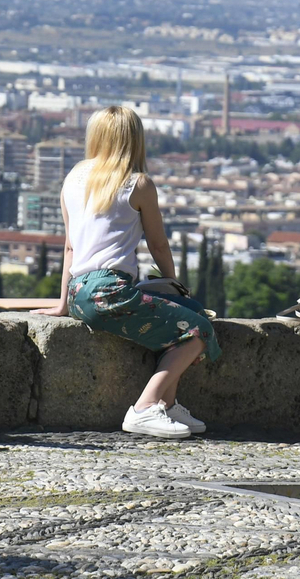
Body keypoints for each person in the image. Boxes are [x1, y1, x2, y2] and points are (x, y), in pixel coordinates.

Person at [44, 106, 219, 440]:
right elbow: (158, 244)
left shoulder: (73, 178)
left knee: (189, 313)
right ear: (135, 139)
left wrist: (63, 303)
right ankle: (144, 408)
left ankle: (168, 404)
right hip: (111, 291)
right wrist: (174, 285)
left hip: (81, 292)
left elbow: (70, 247)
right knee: (198, 329)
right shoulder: (138, 184)